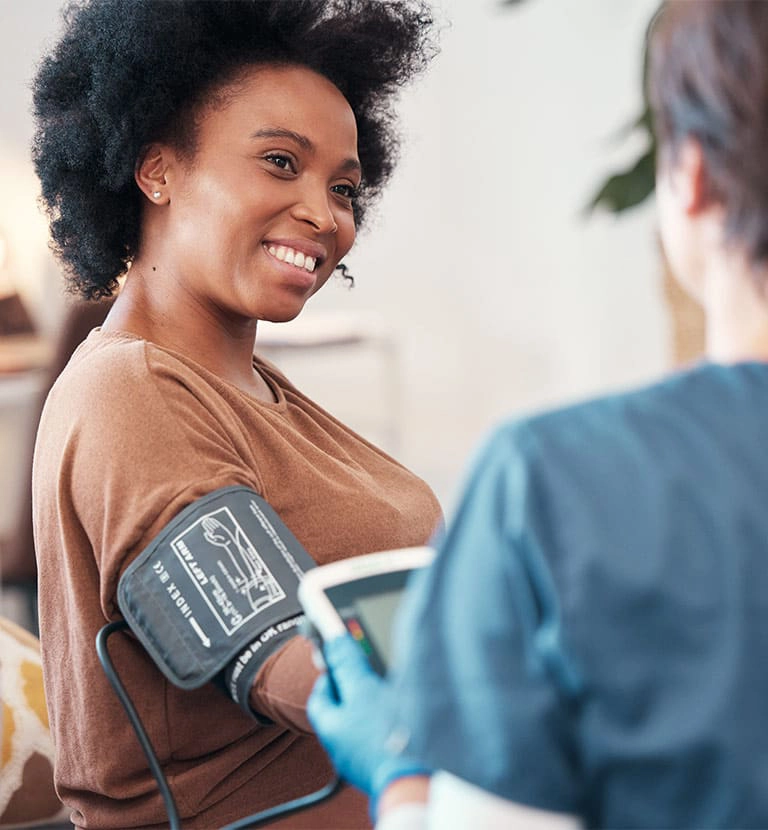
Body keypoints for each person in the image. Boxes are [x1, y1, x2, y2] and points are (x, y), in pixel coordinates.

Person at [307, 1, 768, 827]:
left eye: (343, 187)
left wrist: (400, 771)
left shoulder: (551, 482)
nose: (324, 216)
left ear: (692, 173)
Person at [30, 2, 441, 828]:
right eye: (280, 162)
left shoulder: (260, 394)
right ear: (157, 169)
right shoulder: (131, 392)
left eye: (344, 188)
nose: (325, 216)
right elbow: (278, 648)